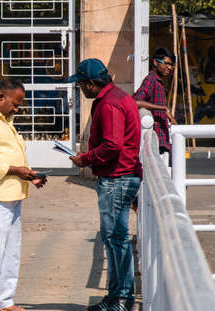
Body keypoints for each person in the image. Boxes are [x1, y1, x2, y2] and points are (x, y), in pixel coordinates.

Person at [67, 59, 142, 311]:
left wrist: (84, 159)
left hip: (117, 178)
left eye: (80, 85)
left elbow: (112, 145)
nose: (80, 90)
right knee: (113, 239)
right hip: (121, 176)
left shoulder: (109, 104)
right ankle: (116, 297)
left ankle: (122, 299)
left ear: (90, 84)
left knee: (116, 239)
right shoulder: (117, 97)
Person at [0, 79, 47, 311]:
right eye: (15, 104)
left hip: (14, 194)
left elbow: (11, 155)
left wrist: (29, 175)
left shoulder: (6, 121)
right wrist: (16, 170)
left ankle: (5, 300)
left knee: (11, 251)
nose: (17, 109)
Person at [134, 47, 177, 163]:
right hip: (156, 136)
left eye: (171, 65)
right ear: (155, 62)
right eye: (166, 63)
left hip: (161, 136)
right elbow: (136, 101)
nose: (169, 68)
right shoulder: (151, 80)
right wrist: (163, 108)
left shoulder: (158, 81)